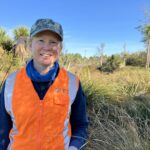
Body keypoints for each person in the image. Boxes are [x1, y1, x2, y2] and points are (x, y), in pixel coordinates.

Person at [0, 18, 89, 150]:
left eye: (53, 42)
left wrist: (74, 147)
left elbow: (81, 125)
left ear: (60, 48)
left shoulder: (72, 82)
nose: (47, 47)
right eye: (40, 40)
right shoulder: (11, 83)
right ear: (30, 44)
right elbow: (2, 129)